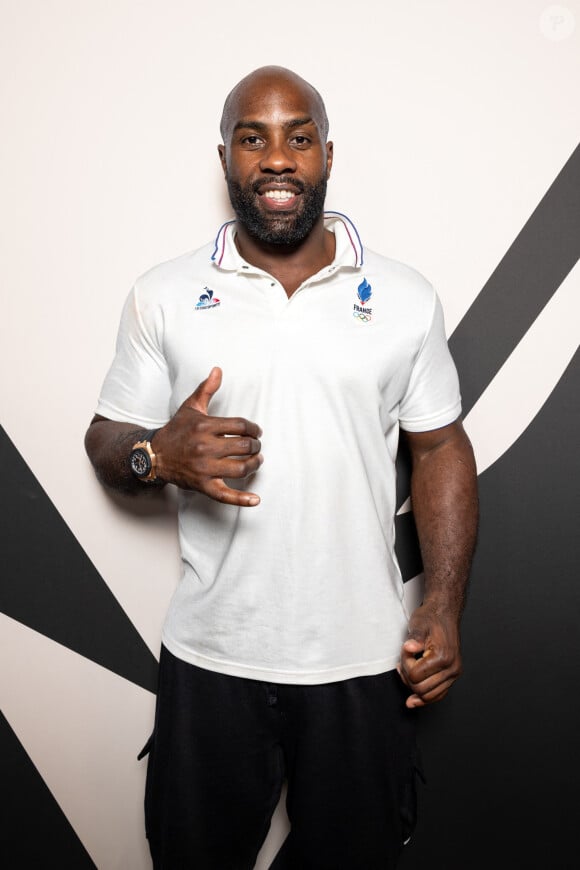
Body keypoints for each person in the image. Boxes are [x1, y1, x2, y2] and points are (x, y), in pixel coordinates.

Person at [85, 65, 478, 870]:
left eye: (297, 137)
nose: (276, 157)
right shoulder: (164, 292)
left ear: (326, 153)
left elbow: (438, 445)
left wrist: (441, 603)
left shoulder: (403, 296)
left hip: (364, 661)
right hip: (213, 656)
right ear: (224, 155)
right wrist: (157, 453)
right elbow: (105, 435)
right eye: (252, 137)